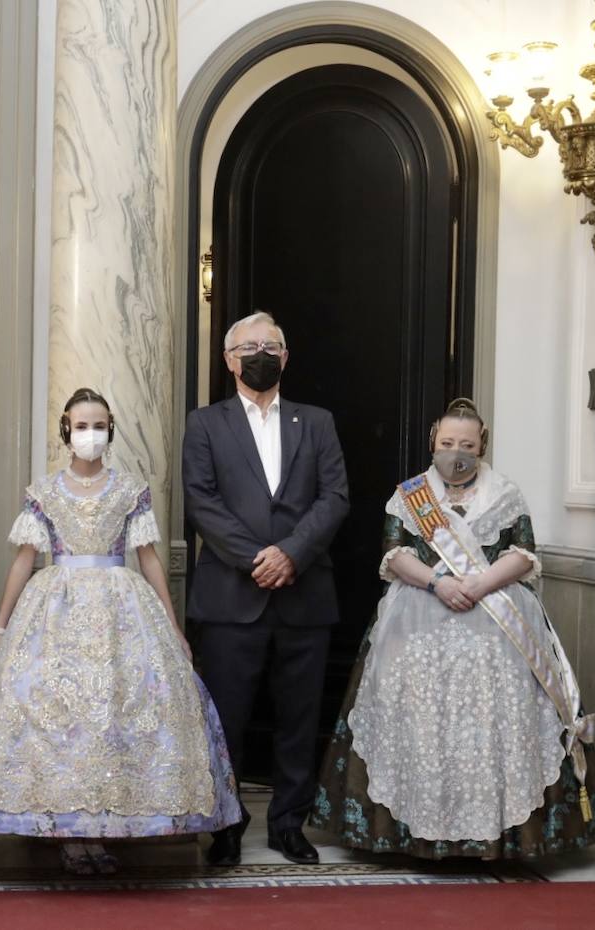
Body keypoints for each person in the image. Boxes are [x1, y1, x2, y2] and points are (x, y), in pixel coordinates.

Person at [0, 388, 241, 874]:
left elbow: (149, 558)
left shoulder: (131, 490)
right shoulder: (43, 492)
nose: (91, 434)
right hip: (55, 605)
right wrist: (1, 626)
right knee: (58, 715)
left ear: (111, 430)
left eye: (100, 425)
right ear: (66, 429)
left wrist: (173, 626)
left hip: (121, 606)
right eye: (83, 425)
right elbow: (24, 560)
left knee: (116, 711)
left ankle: (108, 827)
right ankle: (67, 832)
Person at [310, 399, 595, 858]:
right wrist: (439, 583)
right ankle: (413, 832)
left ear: (482, 445)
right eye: (447, 443)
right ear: (433, 442)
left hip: (498, 625)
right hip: (417, 620)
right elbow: (393, 553)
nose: (456, 452)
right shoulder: (411, 495)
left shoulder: (504, 493)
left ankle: (498, 835)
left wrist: (481, 583)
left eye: (466, 444)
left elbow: (524, 554)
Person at [182, 311, 349, 866]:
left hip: (304, 595)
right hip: (232, 597)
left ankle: (288, 825)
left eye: (270, 344)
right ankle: (225, 825)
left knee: (299, 720)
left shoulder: (317, 421)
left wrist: (291, 555)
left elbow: (334, 499)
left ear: (286, 355)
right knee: (225, 718)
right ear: (229, 359)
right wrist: (259, 558)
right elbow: (202, 501)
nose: (260, 353)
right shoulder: (205, 424)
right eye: (249, 345)